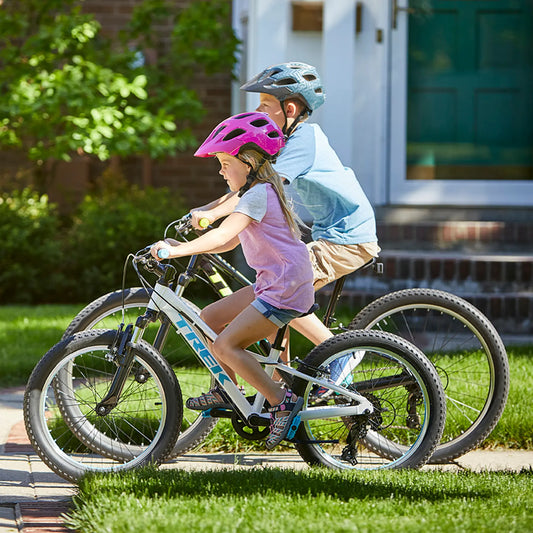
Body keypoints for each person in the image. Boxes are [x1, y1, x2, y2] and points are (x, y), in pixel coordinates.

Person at [190, 62, 380, 386]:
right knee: (278, 291)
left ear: (289, 109)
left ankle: (339, 352)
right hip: (331, 234)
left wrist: (209, 213)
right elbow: (246, 190)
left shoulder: (304, 141)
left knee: (289, 287)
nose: (258, 110)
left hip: (348, 238)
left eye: (265, 104)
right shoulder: (282, 142)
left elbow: (254, 192)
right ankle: (281, 383)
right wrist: (204, 210)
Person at [151, 111, 314, 449]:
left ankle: (280, 402)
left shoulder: (257, 195)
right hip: (275, 282)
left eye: (226, 162)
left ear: (249, 162)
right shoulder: (255, 194)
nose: (220, 169)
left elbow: (222, 232)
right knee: (208, 318)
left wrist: (173, 254)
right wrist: (184, 247)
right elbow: (228, 241)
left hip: (283, 288)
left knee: (224, 345)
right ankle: (228, 390)